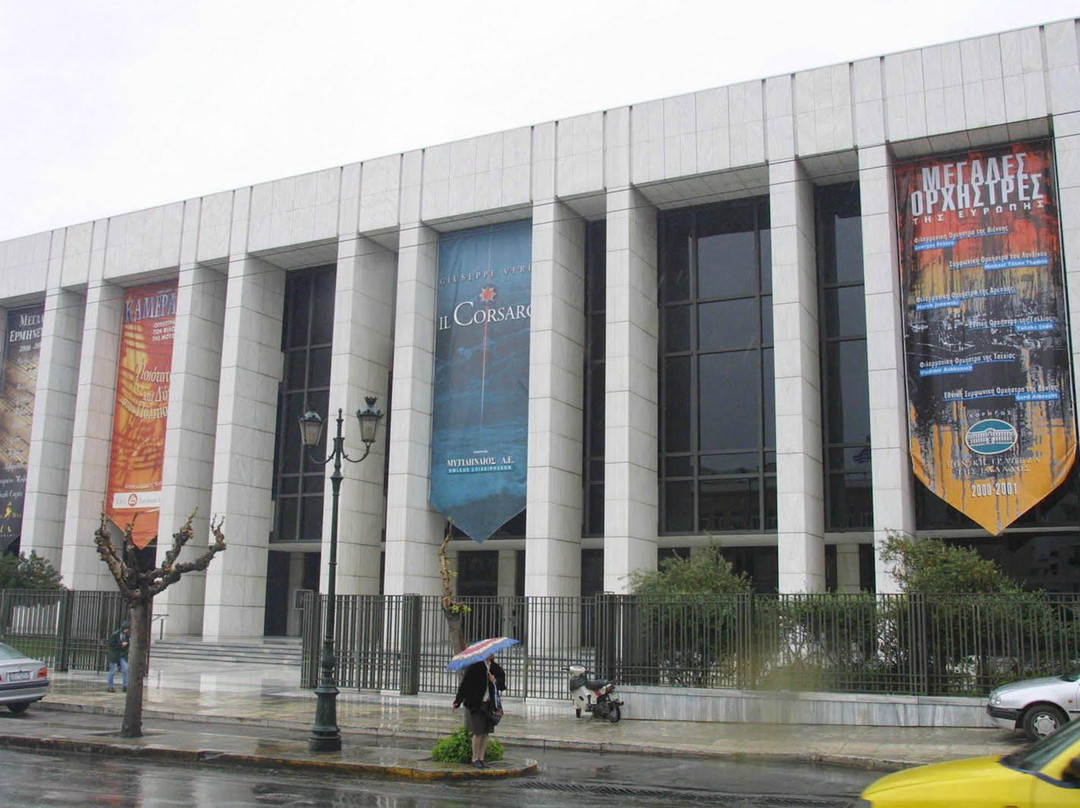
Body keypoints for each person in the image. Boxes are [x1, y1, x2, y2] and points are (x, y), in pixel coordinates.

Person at [452, 653, 506, 768]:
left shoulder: (494, 668)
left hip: (489, 705)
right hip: (477, 704)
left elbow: (502, 682)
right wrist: (458, 701)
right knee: (478, 732)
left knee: (486, 732)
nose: (492, 655)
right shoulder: (476, 666)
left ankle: (482, 758)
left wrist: (494, 680)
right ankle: (475, 758)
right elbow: (465, 684)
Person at [106, 621, 130, 693]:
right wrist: (121, 645)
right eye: (126, 629)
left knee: (125, 669)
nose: (127, 631)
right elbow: (111, 645)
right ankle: (110, 686)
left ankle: (125, 685)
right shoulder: (115, 635)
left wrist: (126, 645)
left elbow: (127, 645)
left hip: (122, 655)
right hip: (114, 654)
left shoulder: (127, 636)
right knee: (113, 670)